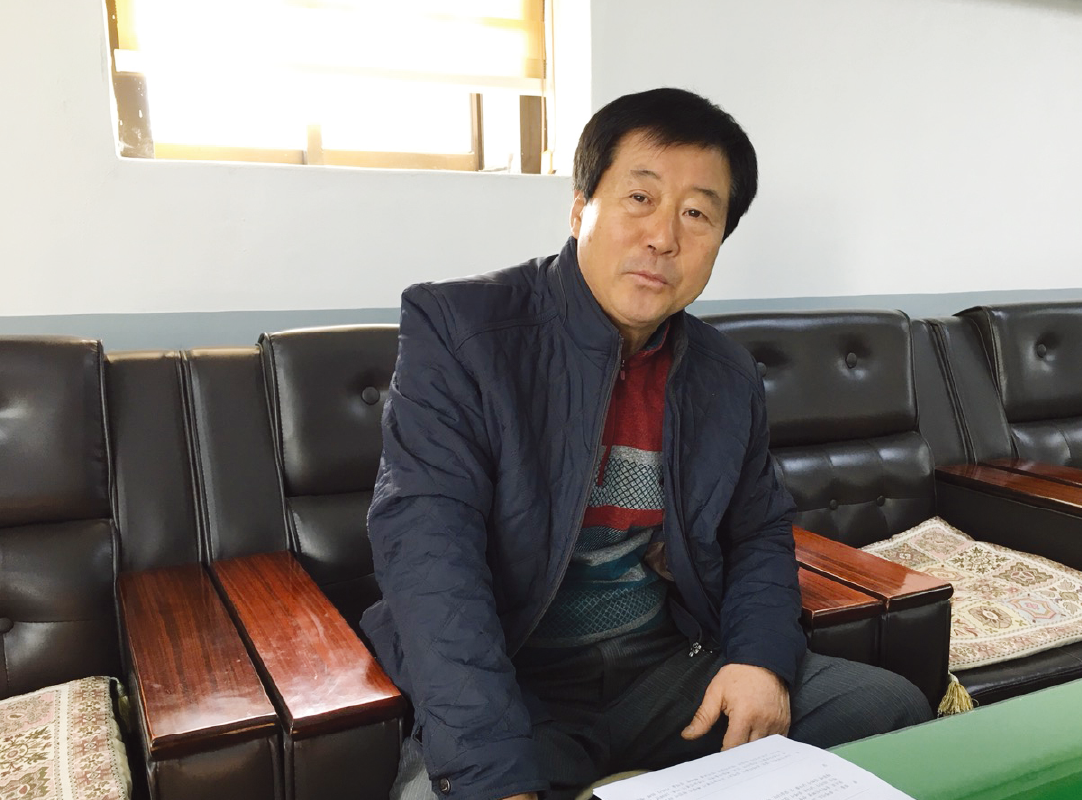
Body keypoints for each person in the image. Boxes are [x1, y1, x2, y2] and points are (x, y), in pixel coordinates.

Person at [363, 87, 932, 800]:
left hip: (667, 668)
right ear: (580, 208)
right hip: (517, 680)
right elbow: (428, 554)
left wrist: (758, 661)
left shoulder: (725, 374)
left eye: (697, 213)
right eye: (640, 198)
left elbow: (758, 533)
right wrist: (491, 768)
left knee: (888, 710)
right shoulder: (461, 330)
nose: (664, 237)